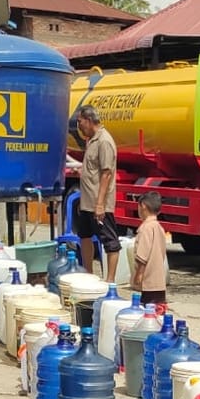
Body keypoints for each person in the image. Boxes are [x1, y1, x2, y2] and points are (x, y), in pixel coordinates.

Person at [74, 105, 122, 282]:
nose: (79, 126)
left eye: (80, 122)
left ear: (88, 120)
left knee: (109, 242)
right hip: (87, 202)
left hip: (99, 203)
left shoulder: (104, 141)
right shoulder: (92, 140)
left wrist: (100, 203)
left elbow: (106, 173)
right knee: (84, 236)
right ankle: (89, 275)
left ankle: (110, 280)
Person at [132, 191, 169, 307]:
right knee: (158, 312)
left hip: (148, 281)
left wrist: (139, 275)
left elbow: (143, 255)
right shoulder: (159, 228)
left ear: (143, 206)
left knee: (148, 313)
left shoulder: (145, 228)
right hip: (159, 282)